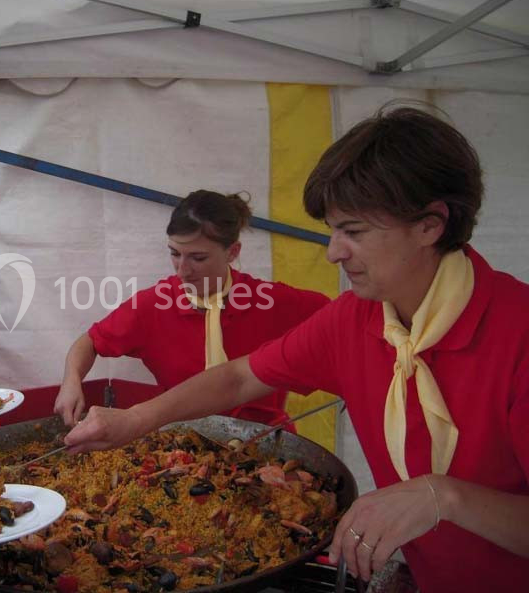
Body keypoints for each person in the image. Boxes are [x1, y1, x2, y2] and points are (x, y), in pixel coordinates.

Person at [64, 106, 529, 592]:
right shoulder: (353, 319)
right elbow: (240, 376)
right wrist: (134, 421)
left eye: (354, 231)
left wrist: (446, 497)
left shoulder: (518, 336)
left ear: (430, 225)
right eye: (333, 230)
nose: (333, 252)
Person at [53, 190, 329, 427]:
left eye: (198, 257)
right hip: (184, 447)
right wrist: (71, 381)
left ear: (232, 252)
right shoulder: (153, 306)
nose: (183, 270)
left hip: (267, 442)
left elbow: (344, 324)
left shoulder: (273, 302)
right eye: (175, 253)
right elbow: (89, 342)